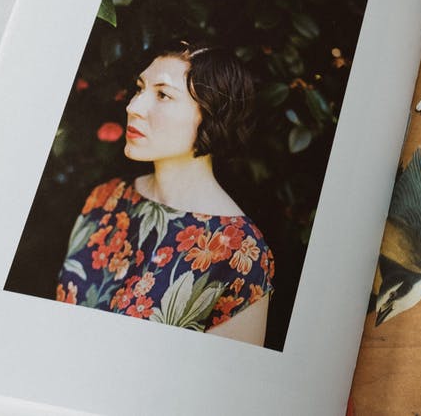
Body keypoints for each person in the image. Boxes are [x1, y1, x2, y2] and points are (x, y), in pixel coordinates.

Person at [55, 44, 273, 346]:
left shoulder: (239, 252)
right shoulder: (107, 198)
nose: (133, 107)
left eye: (163, 95)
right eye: (140, 88)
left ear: (211, 115)